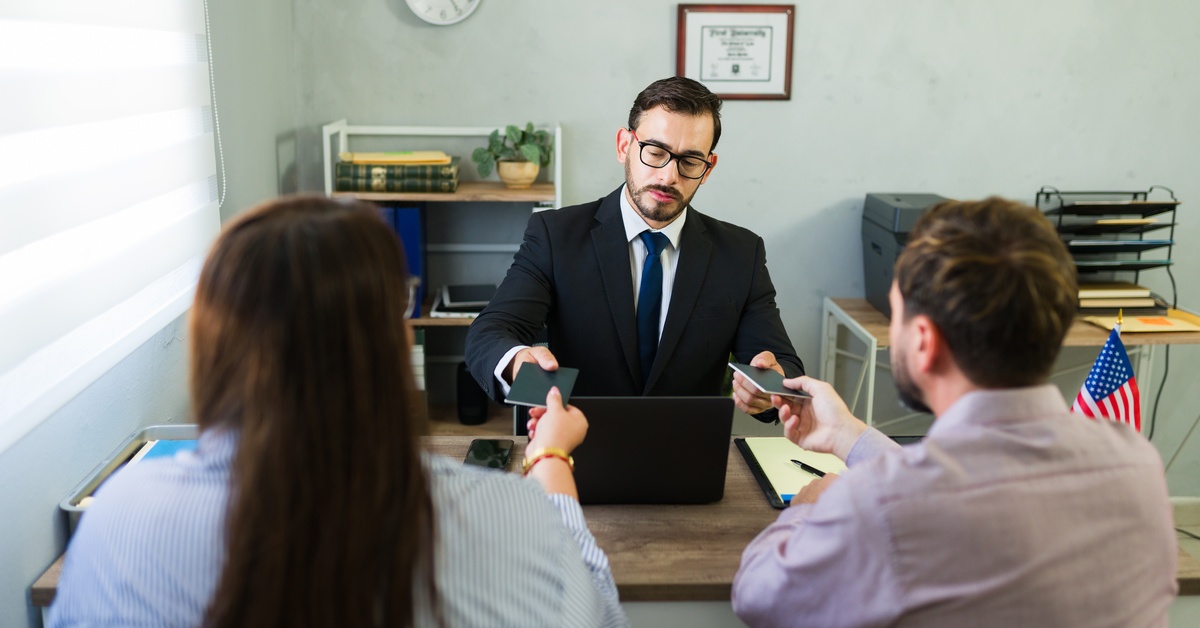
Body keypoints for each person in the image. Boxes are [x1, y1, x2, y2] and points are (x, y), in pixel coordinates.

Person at [49, 195, 628, 628]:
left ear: (211, 346)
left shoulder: (120, 521)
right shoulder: (510, 520)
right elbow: (597, 613)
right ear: (398, 347)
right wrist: (551, 459)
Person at [731, 197, 1177, 626]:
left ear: (923, 341)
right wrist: (848, 435)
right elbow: (955, 480)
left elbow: (757, 595)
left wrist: (807, 508)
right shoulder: (1136, 464)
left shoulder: (880, 506)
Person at [464, 76, 803, 422]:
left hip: (689, 452)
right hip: (576, 446)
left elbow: (781, 361)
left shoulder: (741, 253)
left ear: (708, 168)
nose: (669, 176)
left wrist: (770, 385)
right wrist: (518, 360)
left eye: (689, 162)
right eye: (655, 153)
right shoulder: (555, 236)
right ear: (624, 145)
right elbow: (490, 333)